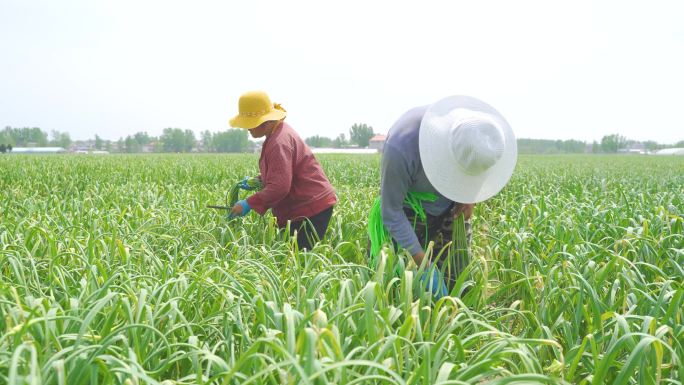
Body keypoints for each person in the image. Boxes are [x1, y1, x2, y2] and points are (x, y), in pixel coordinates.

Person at [368, 95, 517, 298]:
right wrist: (424, 265)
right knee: (395, 284)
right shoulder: (402, 147)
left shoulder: (482, 137)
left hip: (452, 208)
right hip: (408, 208)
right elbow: (391, 211)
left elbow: (476, 167)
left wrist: (468, 196)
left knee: (459, 280)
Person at [228, 90, 337, 250]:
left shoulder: (279, 142)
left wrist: (248, 203)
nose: (247, 129)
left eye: (249, 124)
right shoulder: (278, 132)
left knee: (298, 263)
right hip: (308, 206)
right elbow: (284, 171)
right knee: (294, 260)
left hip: (310, 210)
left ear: (264, 122)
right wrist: (259, 180)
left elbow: (280, 186)